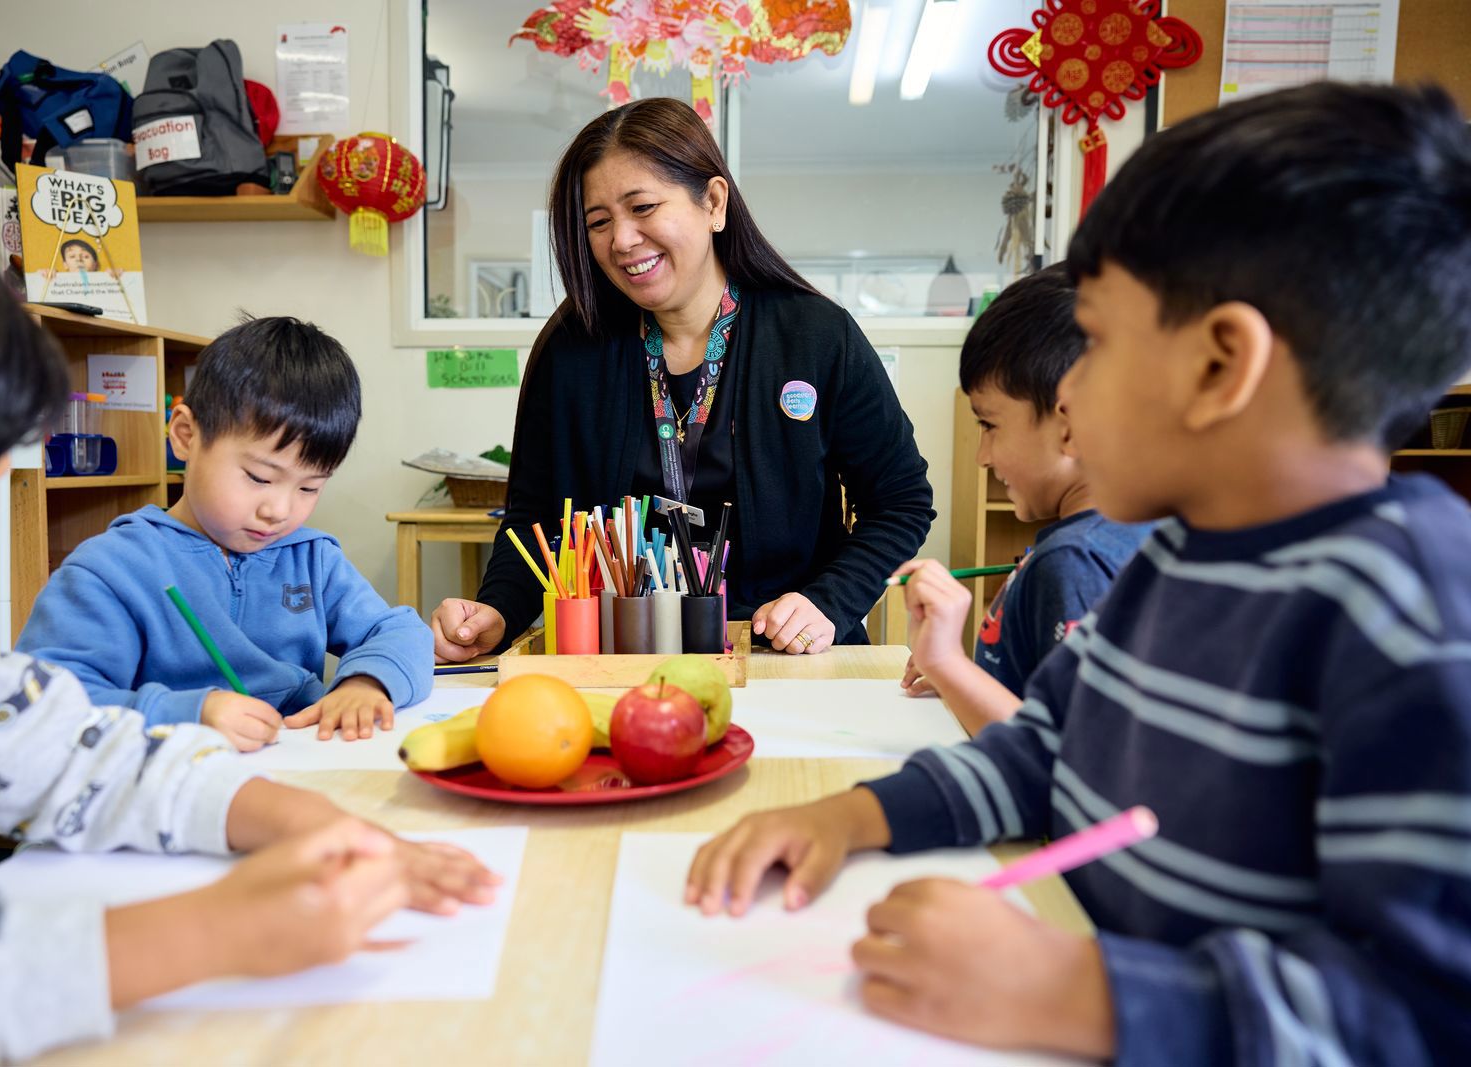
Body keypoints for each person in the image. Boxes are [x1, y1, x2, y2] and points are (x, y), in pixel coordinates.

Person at [683, 82, 1471, 1063]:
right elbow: (1044, 752)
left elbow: (1424, 1016)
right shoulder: (1176, 558)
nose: (1070, 393)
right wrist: (854, 814)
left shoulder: (1413, 612)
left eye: (1093, 341)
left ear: (1220, 365)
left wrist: (1076, 991)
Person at [0, 182, 498, 1064]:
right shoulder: (111, 566)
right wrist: (212, 926)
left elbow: (69, 748)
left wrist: (288, 813)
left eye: (308, 488)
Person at [430, 97, 934, 661]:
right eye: (599, 222)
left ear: (713, 202)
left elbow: (901, 501)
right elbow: (535, 523)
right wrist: (497, 609)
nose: (621, 240)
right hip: (619, 658)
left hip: (780, 657)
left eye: (642, 207)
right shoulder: (571, 347)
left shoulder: (815, 336)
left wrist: (829, 601)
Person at [18, 316, 435, 749]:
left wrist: (366, 684)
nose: (279, 510)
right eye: (258, 477)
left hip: (293, 778)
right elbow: (47, 700)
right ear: (185, 437)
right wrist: (190, 714)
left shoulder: (310, 558)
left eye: (310, 487)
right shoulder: (111, 569)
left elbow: (403, 633)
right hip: (165, 788)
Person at [893, 264, 1152, 733]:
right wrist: (962, 681)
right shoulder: (1118, 538)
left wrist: (948, 662)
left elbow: (1069, 754)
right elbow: (1036, 706)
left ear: (1071, 423)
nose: (982, 457)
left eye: (989, 426)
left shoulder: (1076, 562)